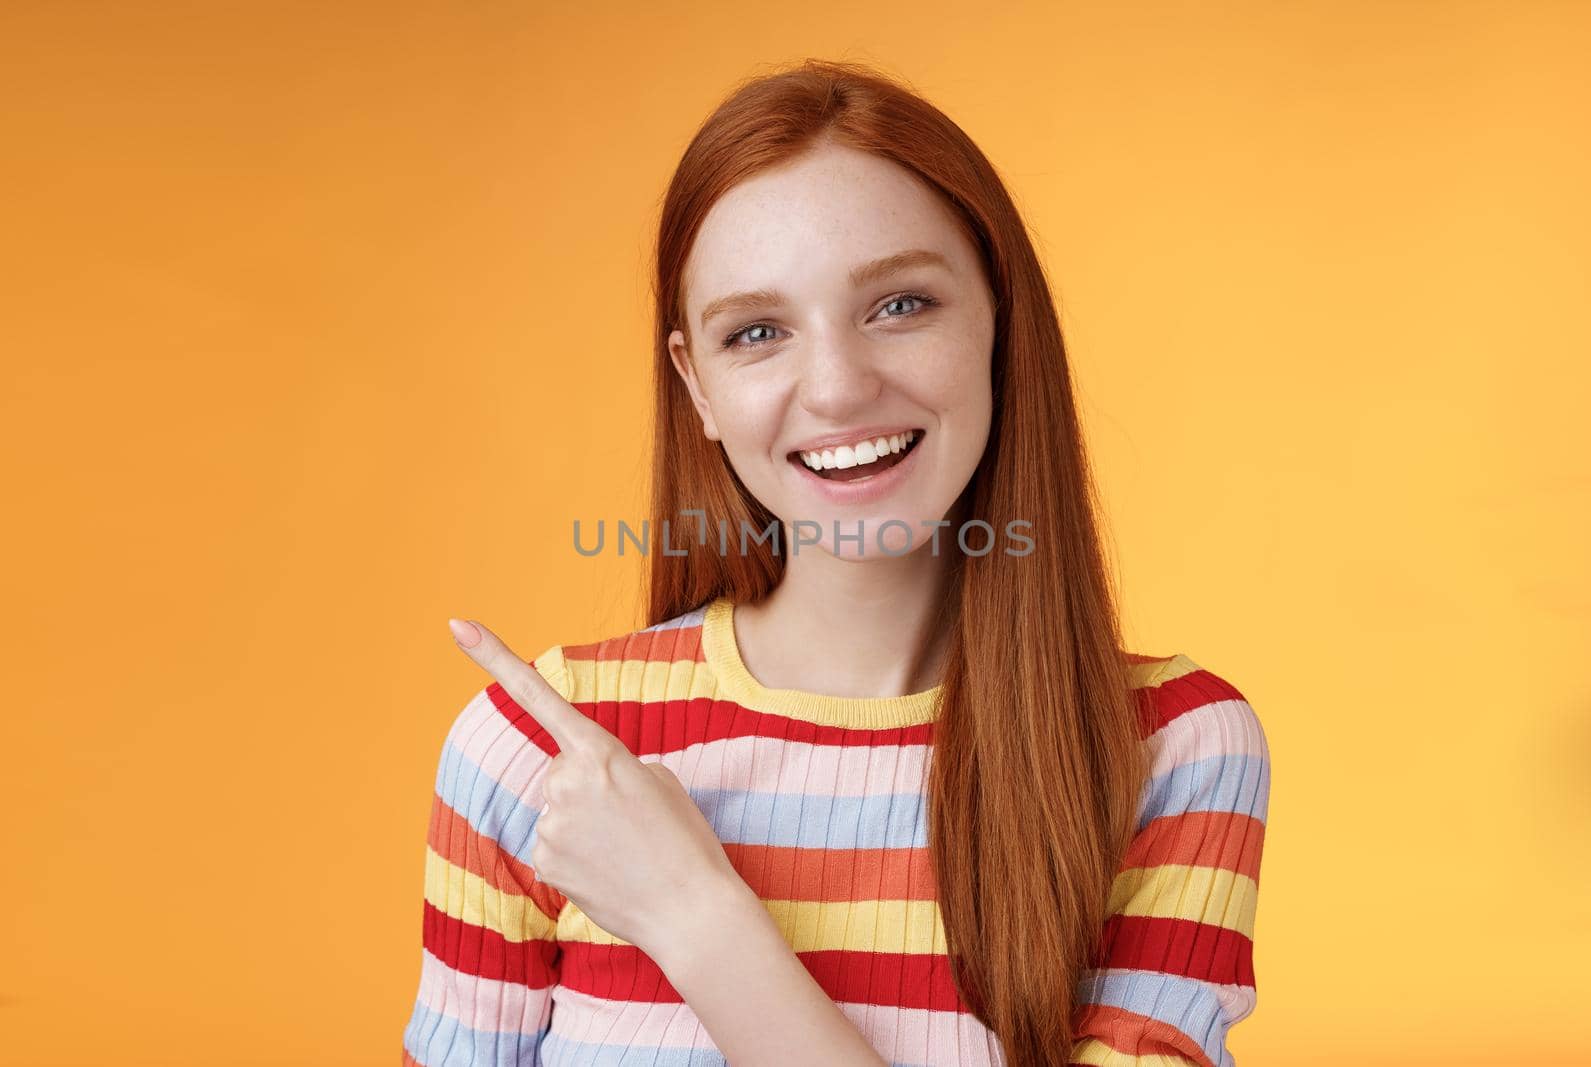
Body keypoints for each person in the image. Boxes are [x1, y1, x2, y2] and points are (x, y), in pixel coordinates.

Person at [401, 58, 1270, 1067]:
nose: (837, 387)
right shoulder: (542, 754)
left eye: (899, 304)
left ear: (998, 317)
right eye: (757, 331)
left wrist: (695, 917)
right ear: (699, 386)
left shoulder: (1170, 750)